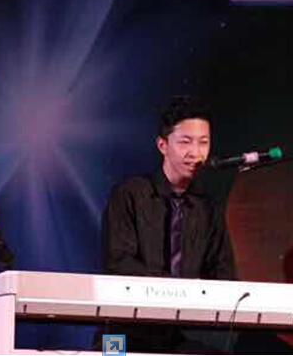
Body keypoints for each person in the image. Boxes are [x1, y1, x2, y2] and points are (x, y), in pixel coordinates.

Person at [98, 95, 236, 352]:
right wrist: (175, 289)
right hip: (123, 331)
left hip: (179, 336)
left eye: (203, 142)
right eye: (185, 142)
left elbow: (224, 275)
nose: (196, 153)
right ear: (162, 145)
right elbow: (118, 263)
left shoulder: (208, 208)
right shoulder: (130, 193)